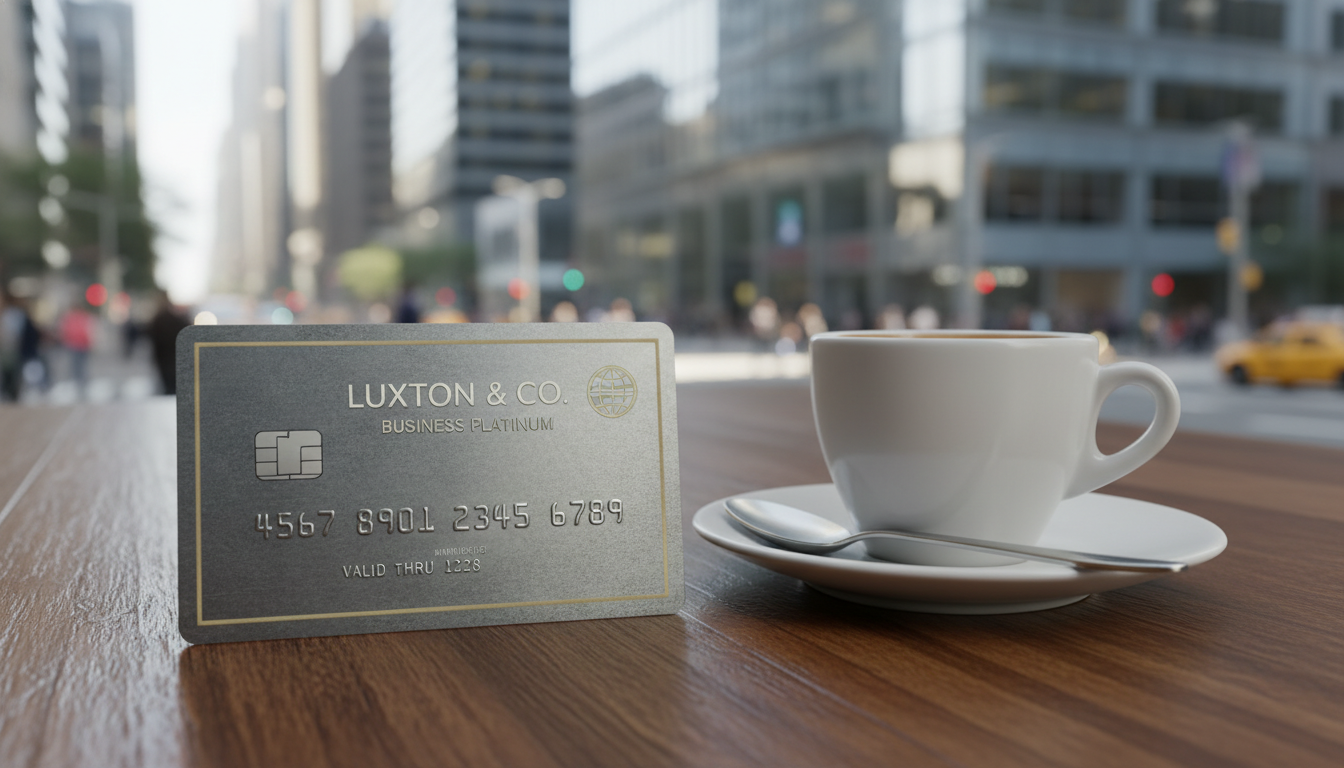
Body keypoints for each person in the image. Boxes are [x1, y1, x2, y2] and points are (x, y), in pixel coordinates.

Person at [147, 291, 190, 395]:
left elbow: (151, 335)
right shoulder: (176, 319)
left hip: (164, 358)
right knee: (174, 386)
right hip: (172, 357)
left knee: (168, 385)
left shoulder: (158, 319)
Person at [60, 301, 95, 395]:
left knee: (77, 365)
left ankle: (79, 384)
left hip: (76, 344)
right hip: (78, 344)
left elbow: (65, 331)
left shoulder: (70, 318)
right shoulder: (82, 317)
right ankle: (79, 384)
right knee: (79, 365)